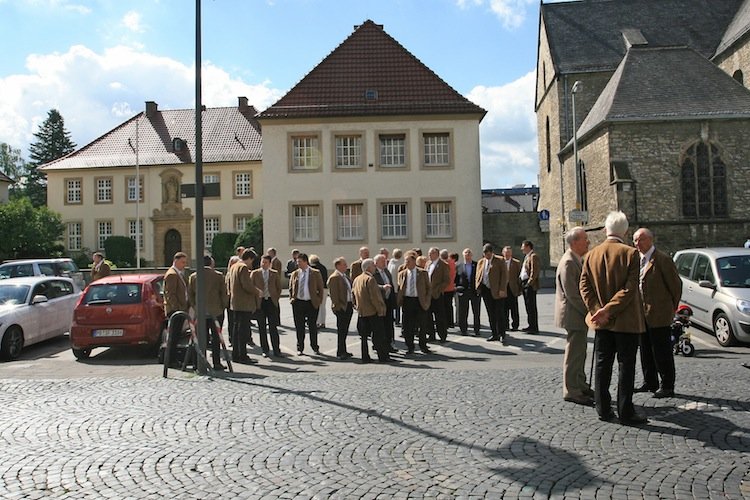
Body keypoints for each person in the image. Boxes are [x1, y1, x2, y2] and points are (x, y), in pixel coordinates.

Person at [580, 210, 648, 425]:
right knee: (626, 367)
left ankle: (602, 408)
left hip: (602, 323)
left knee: (602, 365)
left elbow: (584, 287)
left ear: (605, 230)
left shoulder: (592, 254)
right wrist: (608, 310)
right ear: (625, 231)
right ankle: (626, 411)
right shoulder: (631, 253)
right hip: (626, 322)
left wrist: (597, 311)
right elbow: (630, 289)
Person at [633, 227, 682, 398]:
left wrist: (671, 307)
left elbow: (675, 286)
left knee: (662, 351)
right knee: (645, 350)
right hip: (641, 314)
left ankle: (667, 385)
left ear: (650, 240)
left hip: (659, 313)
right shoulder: (636, 259)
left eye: (640, 239)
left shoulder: (662, 259)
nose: (637, 243)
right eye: (635, 240)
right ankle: (650, 381)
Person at [554, 227, 593, 405]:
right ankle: (571, 389)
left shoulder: (575, 259)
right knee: (574, 354)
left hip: (576, 315)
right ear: (575, 242)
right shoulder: (569, 262)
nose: (588, 242)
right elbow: (573, 294)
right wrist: (589, 311)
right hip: (573, 314)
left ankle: (580, 384)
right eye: (585, 239)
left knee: (580, 351)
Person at [188, 256, 229, 370]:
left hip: (200, 311)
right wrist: (223, 306)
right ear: (211, 263)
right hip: (216, 310)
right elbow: (223, 293)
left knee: (200, 337)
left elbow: (190, 294)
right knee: (216, 338)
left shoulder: (193, 276)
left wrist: (195, 306)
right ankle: (216, 363)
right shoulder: (218, 276)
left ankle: (199, 362)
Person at [352, 258, 390, 362]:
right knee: (379, 334)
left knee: (364, 337)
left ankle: (365, 356)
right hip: (373, 311)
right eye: (373, 265)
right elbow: (375, 297)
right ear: (368, 267)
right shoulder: (370, 279)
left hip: (362, 311)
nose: (375, 267)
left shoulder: (357, 279)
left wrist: (357, 306)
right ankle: (382, 356)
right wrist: (380, 309)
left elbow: (353, 294)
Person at [227, 248, 261, 364]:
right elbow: (246, 285)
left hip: (235, 302)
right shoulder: (243, 268)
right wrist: (257, 291)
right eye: (252, 260)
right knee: (243, 331)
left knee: (236, 330)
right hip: (244, 303)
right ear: (250, 258)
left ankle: (236, 355)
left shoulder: (234, 266)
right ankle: (243, 355)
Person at [289, 252, 325, 355]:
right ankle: (300, 347)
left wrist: (318, 301)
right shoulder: (295, 273)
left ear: (305, 262)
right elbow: (291, 287)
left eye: (300, 262)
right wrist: (292, 299)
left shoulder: (315, 273)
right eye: (297, 262)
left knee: (312, 326)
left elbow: (320, 288)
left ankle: (315, 347)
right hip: (298, 303)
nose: (298, 264)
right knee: (299, 326)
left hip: (311, 303)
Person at [397, 251, 431, 354]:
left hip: (419, 301)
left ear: (414, 261)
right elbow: (400, 288)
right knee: (408, 326)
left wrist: (427, 300)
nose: (406, 263)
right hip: (407, 301)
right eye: (405, 261)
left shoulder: (423, 273)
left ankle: (423, 345)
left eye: (408, 261)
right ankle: (410, 346)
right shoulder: (402, 274)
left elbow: (428, 288)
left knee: (422, 325)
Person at [475, 243, 509, 342]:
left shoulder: (500, 260)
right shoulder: (481, 262)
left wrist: (502, 289)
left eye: (488, 254)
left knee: (499, 313)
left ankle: (502, 334)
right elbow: (478, 275)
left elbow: (504, 276)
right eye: (485, 254)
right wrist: (478, 286)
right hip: (486, 290)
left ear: (491, 252)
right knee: (491, 313)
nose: (487, 256)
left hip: (497, 290)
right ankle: (494, 334)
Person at [251, 254, 282, 358]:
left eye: (265, 262)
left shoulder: (274, 273)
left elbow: (278, 288)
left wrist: (275, 297)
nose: (263, 264)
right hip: (260, 302)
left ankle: (276, 350)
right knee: (262, 327)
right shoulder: (255, 273)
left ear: (269, 264)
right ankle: (265, 349)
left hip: (271, 302)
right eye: (262, 262)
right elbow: (251, 286)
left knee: (273, 327)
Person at [164, 252, 190, 365]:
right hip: (175, 310)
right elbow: (170, 294)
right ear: (176, 261)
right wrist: (177, 309)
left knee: (177, 335)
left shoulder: (179, 273)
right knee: (174, 336)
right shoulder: (172, 274)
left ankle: (173, 359)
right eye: (182, 262)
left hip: (180, 309)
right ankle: (171, 360)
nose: (184, 265)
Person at [328, 257, 354, 360]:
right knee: (341, 330)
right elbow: (334, 294)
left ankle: (344, 350)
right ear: (338, 265)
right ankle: (340, 352)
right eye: (344, 264)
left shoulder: (344, 276)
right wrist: (338, 306)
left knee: (345, 330)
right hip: (341, 307)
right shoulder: (334, 277)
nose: (346, 266)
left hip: (348, 305)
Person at [373, 254, 397, 352]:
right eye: (382, 261)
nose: (385, 263)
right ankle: (378, 345)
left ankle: (389, 344)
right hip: (379, 302)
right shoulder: (373, 273)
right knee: (379, 325)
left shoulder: (387, 271)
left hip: (388, 301)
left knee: (389, 325)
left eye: (385, 261)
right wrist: (382, 288)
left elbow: (391, 285)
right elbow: (373, 286)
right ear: (376, 263)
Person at [426, 247, 450, 343]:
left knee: (439, 316)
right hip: (428, 295)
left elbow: (446, 280)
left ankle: (442, 335)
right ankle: (431, 335)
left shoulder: (443, 265)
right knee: (428, 316)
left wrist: (438, 289)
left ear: (437, 254)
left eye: (431, 253)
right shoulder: (428, 264)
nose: (429, 255)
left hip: (437, 294)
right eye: (429, 253)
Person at [456, 248, 481, 336]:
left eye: (469, 253)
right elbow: (456, 278)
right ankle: (463, 329)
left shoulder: (476, 265)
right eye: (466, 254)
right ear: (463, 255)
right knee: (463, 312)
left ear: (471, 255)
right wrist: (457, 288)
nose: (467, 255)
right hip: (463, 291)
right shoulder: (459, 266)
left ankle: (477, 329)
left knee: (476, 312)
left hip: (474, 291)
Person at [520, 240, 540, 333]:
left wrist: (529, 283)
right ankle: (530, 325)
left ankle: (534, 327)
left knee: (531, 306)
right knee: (528, 305)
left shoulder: (533, 256)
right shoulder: (527, 256)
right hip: (524, 283)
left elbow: (534, 271)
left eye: (523, 246)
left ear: (528, 247)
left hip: (530, 284)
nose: (522, 248)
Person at [501, 246, 522, 331]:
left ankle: (515, 325)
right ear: (503, 253)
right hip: (503, 288)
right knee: (504, 307)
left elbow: (519, 276)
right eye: (506, 252)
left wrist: (520, 289)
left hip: (513, 288)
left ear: (511, 253)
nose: (507, 254)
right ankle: (505, 325)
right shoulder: (500, 262)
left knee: (514, 308)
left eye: (509, 252)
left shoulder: (516, 263)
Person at [310, 254, 328, 329]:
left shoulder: (313, 268)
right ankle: (323, 322)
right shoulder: (323, 267)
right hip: (325, 288)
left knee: (316, 305)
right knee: (323, 306)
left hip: (317, 289)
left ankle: (317, 322)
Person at [388, 248, 403, 325]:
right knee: (397, 305)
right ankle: (397, 319)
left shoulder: (390, 263)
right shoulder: (400, 264)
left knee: (392, 303)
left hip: (391, 286)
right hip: (397, 286)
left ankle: (392, 318)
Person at [443, 249, 458, 329]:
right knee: (449, 306)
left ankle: (446, 322)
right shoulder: (453, 263)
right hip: (451, 287)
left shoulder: (445, 264)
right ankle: (450, 322)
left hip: (444, 288)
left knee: (444, 306)